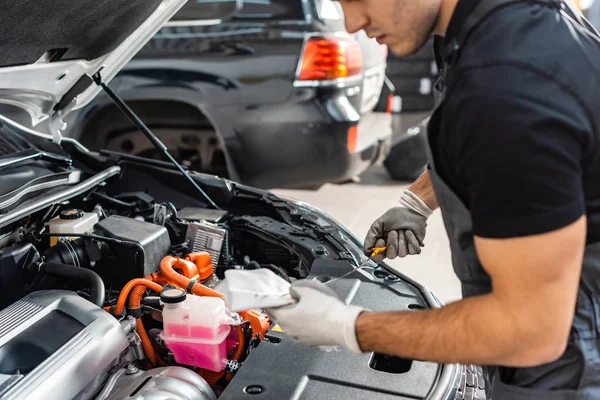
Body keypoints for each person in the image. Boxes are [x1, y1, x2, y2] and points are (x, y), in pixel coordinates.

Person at [264, 0, 600, 398]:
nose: (352, 22)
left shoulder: (508, 88)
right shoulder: (486, 25)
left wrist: (349, 326)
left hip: (563, 364)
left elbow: (531, 330)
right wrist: (417, 202)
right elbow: (487, 146)